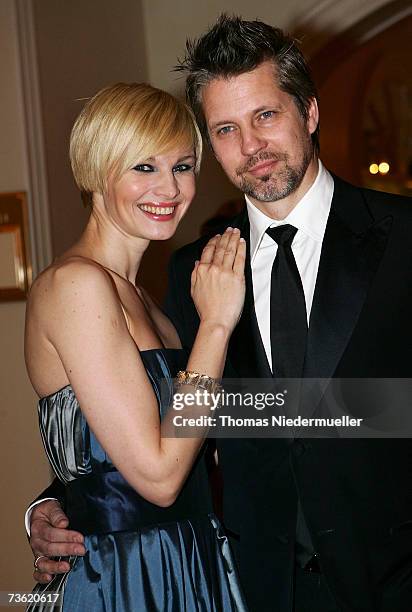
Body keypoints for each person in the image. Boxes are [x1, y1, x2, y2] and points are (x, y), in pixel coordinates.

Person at [27, 15, 412, 612]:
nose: (251, 146)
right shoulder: (191, 273)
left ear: (308, 112)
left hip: (392, 583)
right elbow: (161, 426)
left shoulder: (406, 237)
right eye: (226, 128)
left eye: (266, 116)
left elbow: (217, 411)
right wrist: (61, 504)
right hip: (244, 584)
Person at [24, 81, 248, 611]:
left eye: (184, 165)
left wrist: (55, 499)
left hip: (188, 559)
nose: (169, 189)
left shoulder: (152, 303)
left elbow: (133, 449)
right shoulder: (75, 285)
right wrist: (216, 326)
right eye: (143, 167)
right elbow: (160, 476)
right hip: (125, 577)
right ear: (97, 170)